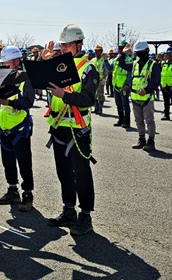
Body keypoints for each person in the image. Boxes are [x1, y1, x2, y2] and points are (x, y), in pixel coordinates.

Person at [41, 24, 98, 236]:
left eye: (68, 45)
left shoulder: (88, 67)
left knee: (81, 173)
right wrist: (44, 61)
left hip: (77, 128)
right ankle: (69, 211)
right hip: (58, 126)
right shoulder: (59, 64)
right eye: (62, 45)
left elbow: (88, 99)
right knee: (63, 171)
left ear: (79, 44)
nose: (64, 49)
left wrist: (64, 95)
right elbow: (39, 79)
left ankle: (85, 216)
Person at [0, 45, 36, 212]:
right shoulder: (2, 77)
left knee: (24, 163)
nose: (4, 65)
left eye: (7, 62)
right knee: (8, 162)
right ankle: (12, 191)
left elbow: (28, 102)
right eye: (2, 63)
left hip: (20, 129)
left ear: (17, 61)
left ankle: (27, 195)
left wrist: (9, 103)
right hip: (4, 128)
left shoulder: (26, 78)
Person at [119, 41, 161, 150]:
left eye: (141, 52)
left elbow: (156, 81)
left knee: (149, 121)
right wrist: (123, 53)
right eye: (138, 52)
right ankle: (141, 139)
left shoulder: (153, 64)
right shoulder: (134, 64)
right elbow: (121, 64)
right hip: (135, 98)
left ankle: (151, 141)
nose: (139, 54)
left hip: (147, 98)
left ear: (147, 51)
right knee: (138, 121)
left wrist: (147, 90)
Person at [112, 41, 132, 127]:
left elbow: (130, 73)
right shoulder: (116, 59)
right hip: (116, 86)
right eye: (119, 47)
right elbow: (110, 69)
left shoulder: (129, 59)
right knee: (118, 104)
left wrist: (127, 84)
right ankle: (121, 120)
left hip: (124, 86)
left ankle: (127, 122)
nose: (120, 49)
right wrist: (105, 61)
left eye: (121, 47)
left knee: (125, 105)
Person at [90, 45, 107, 114]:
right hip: (93, 80)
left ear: (101, 51)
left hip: (100, 79)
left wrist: (104, 79)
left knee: (100, 94)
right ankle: (96, 108)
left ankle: (100, 108)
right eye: (96, 51)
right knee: (94, 94)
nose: (96, 52)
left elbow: (106, 71)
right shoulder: (93, 60)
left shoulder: (103, 60)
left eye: (98, 51)